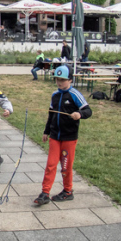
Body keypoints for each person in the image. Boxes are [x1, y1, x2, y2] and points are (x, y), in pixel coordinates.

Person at [34, 65, 92, 206]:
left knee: (65, 167)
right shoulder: (55, 95)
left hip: (69, 138)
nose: (59, 82)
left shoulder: (74, 95)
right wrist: (46, 131)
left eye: (63, 80)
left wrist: (79, 114)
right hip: (55, 136)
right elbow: (51, 115)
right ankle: (45, 193)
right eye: (57, 79)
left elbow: (88, 111)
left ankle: (68, 191)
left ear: (70, 80)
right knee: (51, 165)